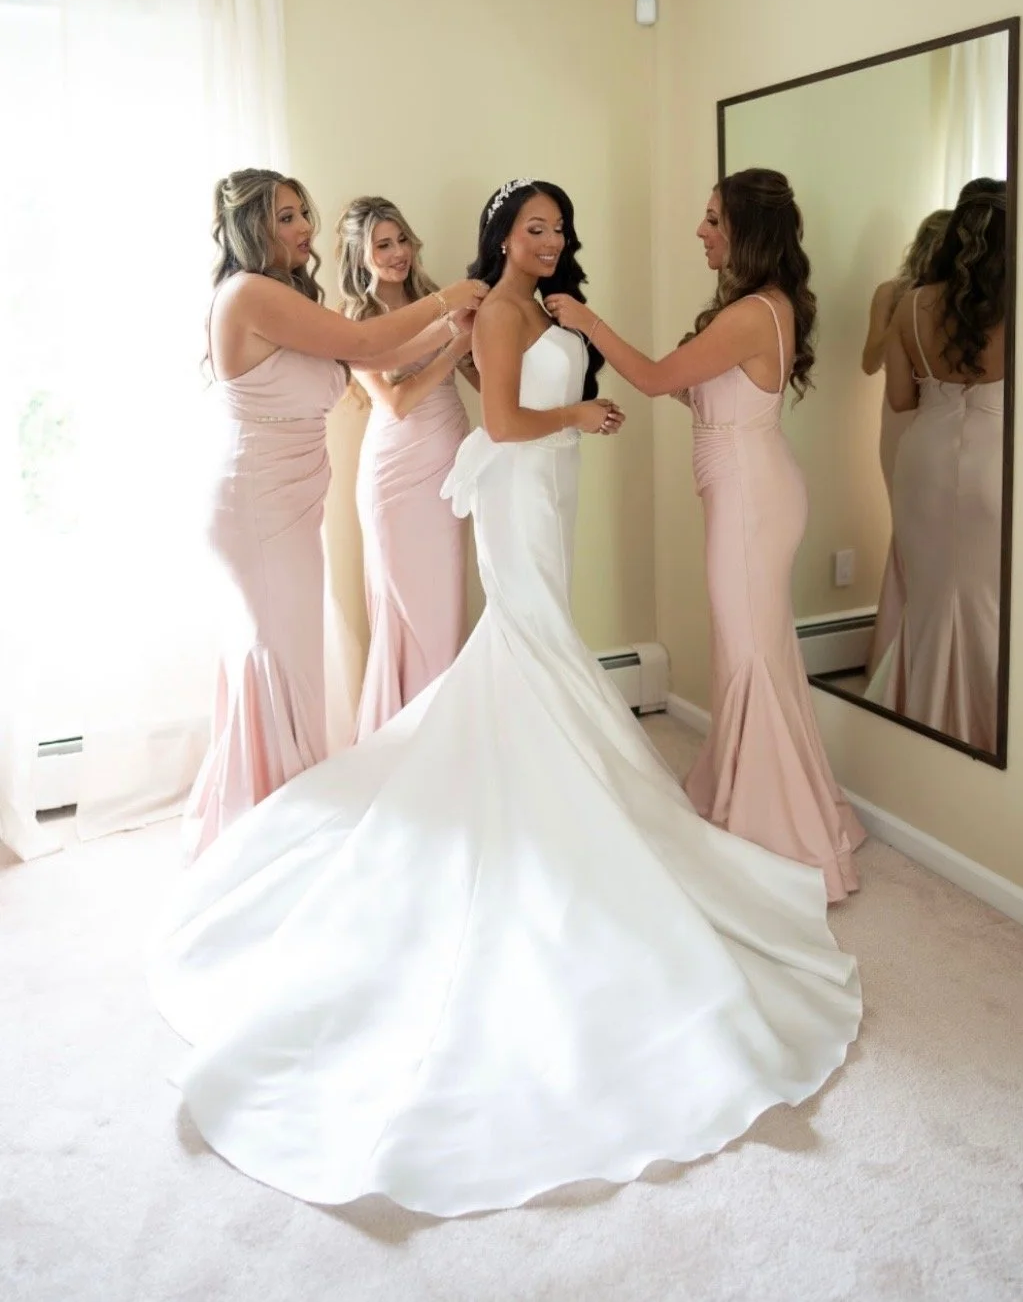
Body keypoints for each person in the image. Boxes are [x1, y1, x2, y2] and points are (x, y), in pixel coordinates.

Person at [150, 176, 861, 1219]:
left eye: (560, 226)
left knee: (539, 649)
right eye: (534, 225)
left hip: (552, 483)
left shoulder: (549, 304)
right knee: (521, 647)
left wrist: (569, 378)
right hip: (516, 481)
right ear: (501, 237)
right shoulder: (487, 307)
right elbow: (496, 414)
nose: (552, 238)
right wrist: (560, 396)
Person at [549, 168, 864, 902]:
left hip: (753, 497)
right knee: (755, 652)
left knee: (751, 655)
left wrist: (589, 323)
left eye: (713, 219)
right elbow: (697, 389)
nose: (701, 230)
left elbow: (659, 379)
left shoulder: (755, 311)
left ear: (746, 232)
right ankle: (772, 803)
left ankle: (776, 832)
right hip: (748, 487)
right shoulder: (757, 306)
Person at [181, 168, 487, 862]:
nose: (303, 230)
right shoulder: (249, 294)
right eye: (287, 217)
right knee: (279, 666)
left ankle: (270, 814)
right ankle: (267, 832)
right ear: (252, 225)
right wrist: (449, 298)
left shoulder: (279, 297)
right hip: (256, 508)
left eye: (302, 215)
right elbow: (374, 348)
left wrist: (450, 325)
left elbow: (384, 353)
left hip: (284, 506)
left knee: (290, 666)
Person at [868, 179, 1006, 751]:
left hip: (921, 460)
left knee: (927, 593)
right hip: (996, 464)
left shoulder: (911, 303)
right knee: (985, 596)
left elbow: (901, 399)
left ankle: (919, 718)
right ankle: (988, 726)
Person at [336, 197, 478, 739]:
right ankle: (397, 742)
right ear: (362, 256)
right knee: (405, 613)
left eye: (402, 240)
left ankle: (442, 739)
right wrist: (454, 335)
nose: (398, 254)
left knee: (444, 610)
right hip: (396, 473)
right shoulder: (359, 319)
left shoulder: (429, 295)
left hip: (447, 460)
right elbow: (395, 402)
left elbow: (475, 372)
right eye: (382, 245)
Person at [862, 209, 951, 674]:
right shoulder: (891, 294)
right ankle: (892, 652)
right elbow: (868, 361)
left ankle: (924, 647)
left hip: (942, 418)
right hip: (900, 424)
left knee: (938, 537)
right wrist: (898, 322)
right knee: (906, 531)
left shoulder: (957, 301)